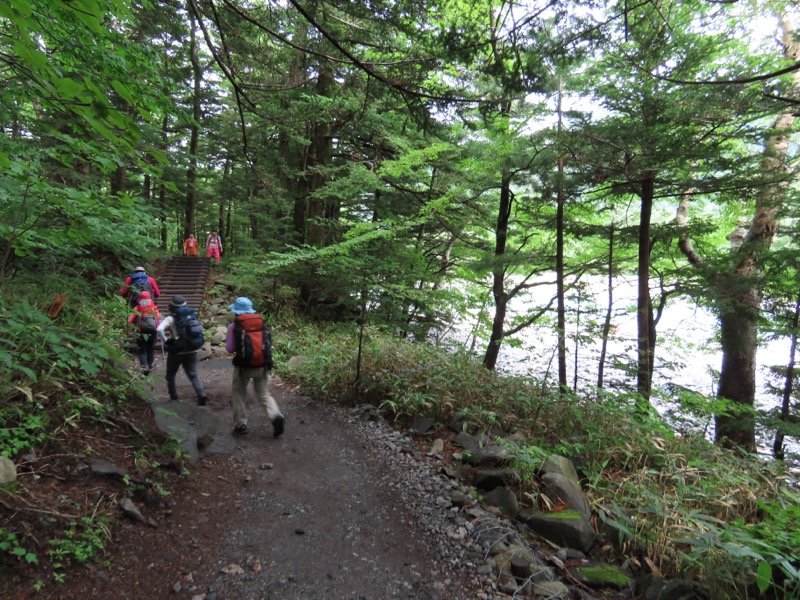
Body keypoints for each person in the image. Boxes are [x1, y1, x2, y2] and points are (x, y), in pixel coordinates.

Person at [225, 297, 284, 437]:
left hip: (243, 367)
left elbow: (229, 348)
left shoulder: (234, 326)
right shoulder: (260, 323)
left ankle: (240, 425)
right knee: (264, 394)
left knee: (238, 394)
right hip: (262, 365)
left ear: (236, 311)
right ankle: (276, 416)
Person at [156, 295, 208, 406]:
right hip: (192, 349)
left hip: (177, 351)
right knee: (193, 374)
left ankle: (174, 398)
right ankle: (201, 393)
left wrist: (166, 341)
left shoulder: (171, 318)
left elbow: (159, 329)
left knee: (170, 375)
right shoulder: (191, 315)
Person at [127, 291, 160, 375]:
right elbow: (157, 318)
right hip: (153, 331)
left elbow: (130, 320)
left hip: (141, 331)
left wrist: (131, 328)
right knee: (151, 349)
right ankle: (150, 365)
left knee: (142, 350)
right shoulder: (154, 307)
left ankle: (144, 366)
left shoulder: (137, 308)